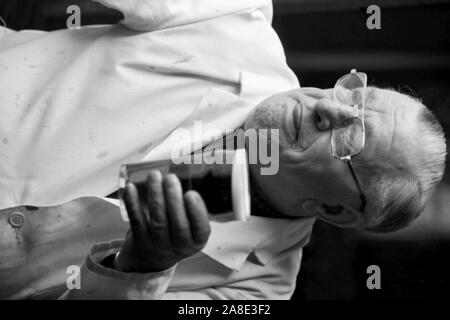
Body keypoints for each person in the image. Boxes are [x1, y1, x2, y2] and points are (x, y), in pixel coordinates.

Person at [0, 0, 446, 299]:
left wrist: (139, 269)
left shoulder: (254, 294)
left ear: (337, 210)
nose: (328, 107)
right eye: (354, 96)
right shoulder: (233, 16)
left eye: (353, 137)